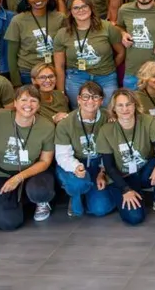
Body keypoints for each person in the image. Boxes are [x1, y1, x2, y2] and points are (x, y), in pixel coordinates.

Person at [97, 88, 155, 224]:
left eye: (128, 104)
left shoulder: (147, 121)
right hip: (122, 178)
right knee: (135, 218)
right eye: (120, 105)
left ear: (135, 105)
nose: (125, 109)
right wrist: (125, 189)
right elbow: (109, 167)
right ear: (114, 108)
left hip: (143, 171)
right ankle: (129, 195)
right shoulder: (106, 130)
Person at [0, 85, 57, 229]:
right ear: (15, 103)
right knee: (9, 223)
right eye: (23, 100)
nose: (28, 105)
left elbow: (45, 161)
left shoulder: (47, 127)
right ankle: (22, 200)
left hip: (32, 172)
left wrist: (18, 178)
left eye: (33, 101)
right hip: (1, 173)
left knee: (40, 191)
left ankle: (39, 200)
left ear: (39, 105)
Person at [53, 82, 116, 218]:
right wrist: (75, 167)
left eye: (95, 97)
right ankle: (76, 194)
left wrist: (103, 172)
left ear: (101, 100)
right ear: (78, 99)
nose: (90, 101)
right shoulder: (66, 123)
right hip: (75, 163)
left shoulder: (108, 118)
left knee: (101, 209)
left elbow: (112, 149)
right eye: (86, 97)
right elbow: (62, 155)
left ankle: (91, 192)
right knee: (78, 184)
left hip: (98, 163)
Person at [52, 0, 124, 107]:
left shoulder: (107, 27)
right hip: (76, 77)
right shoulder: (62, 34)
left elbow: (121, 52)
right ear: (70, 11)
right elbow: (59, 66)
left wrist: (109, 67)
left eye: (84, 6)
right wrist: (61, 93)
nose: (81, 10)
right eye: (76, 8)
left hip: (106, 77)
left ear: (91, 7)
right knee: (80, 111)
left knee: (109, 111)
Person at [5, 0, 66, 87]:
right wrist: (16, 82)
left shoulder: (60, 18)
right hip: (28, 74)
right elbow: (11, 55)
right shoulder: (18, 20)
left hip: (53, 73)